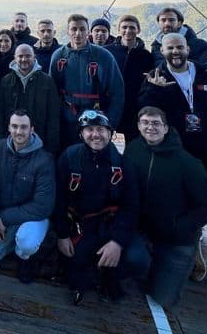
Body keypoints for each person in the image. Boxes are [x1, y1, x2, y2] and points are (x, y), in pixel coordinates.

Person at [138, 32, 207, 302]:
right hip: (181, 157)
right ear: (162, 51)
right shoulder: (156, 76)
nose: (175, 52)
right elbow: (145, 115)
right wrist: (154, 89)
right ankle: (190, 248)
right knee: (181, 206)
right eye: (169, 48)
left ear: (188, 48)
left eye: (179, 47)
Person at [124, 107, 207, 309]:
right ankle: (148, 261)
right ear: (138, 126)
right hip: (144, 230)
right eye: (146, 123)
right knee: (133, 261)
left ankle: (188, 259)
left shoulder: (186, 162)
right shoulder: (133, 149)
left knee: (162, 299)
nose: (150, 127)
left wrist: (180, 226)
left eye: (156, 123)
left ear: (166, 128)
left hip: (176, 238)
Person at [54, 110, 150, 305]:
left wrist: (117, 242)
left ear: (111, 133)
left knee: (138, 259)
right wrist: (62, 235)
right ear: (81, 134)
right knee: (75, 265)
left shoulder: (122, 165)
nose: (95, 134)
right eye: (89, 129)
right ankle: (95, 270)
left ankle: (110, 273)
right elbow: (58, 200)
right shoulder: (69, 158)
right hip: (80, 227)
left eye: (101, 129)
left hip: (111, 226)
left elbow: (131, 207)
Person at [0, 110, 55, 283]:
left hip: (31, 217)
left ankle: (25, 255)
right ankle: (14, 241)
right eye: (15, 126)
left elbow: (43, 205)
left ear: (32, 129)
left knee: (27, 241)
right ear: (9, 128)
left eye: (24, 127)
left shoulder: (44, 160)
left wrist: (4, 218)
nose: (19, 131)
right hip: (4, 216)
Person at [50, 14, 125, 149]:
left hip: (96, 120)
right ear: (68, 31)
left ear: (88, 32)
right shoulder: (59, 57)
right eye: (74, 29)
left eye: (82, 29)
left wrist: (110, 124)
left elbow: (117, 92)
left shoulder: (103, 56)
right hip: (66, 121)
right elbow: (52, 93)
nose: (78, 33)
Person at [0, 44, 61, 154]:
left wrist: (51, 149)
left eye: (28, 56)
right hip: (12, 142)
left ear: (34, 57)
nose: (24, 59)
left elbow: (53, 116)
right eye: (20, 56)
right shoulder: (6, 81)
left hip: (40, 142)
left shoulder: (47, 81)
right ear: (15, 58)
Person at [104, 14, 155, 140]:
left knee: (133, 141)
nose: (128, 31)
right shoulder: (107, 52)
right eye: (124, 27)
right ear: (119, 30)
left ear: (138, 30)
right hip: (110, 104)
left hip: (134, 106)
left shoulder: (145, 55)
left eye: (132, 28)